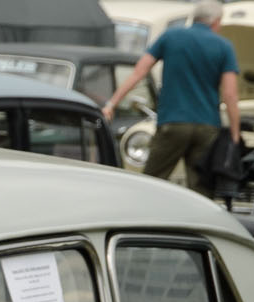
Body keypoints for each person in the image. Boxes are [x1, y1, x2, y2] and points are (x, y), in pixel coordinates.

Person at [102, 0, 241, 197]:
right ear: (216, 22)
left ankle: (143, 219)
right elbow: (230, 94)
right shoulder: (224, 46)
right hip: (207, 126)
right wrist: (235, 134)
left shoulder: (171, 36)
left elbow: (139, 72)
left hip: (173, 121)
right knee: (201, 189)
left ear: (195, 17)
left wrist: (111, 104)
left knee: (152, 181)